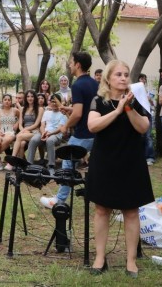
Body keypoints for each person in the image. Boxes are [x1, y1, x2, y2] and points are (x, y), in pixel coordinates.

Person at [86, 60, 154, 277]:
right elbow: (93, 126)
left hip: (130, 160)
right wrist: (116, 111)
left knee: (131, 211)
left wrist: (128, 108)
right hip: (105, 160)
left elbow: (143, 127)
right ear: (108, 78)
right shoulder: (99, 101)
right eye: (118, 74)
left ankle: (131, 261)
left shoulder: (137, 100)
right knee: (101, 209)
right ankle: (99, 258)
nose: (124, 78)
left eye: (126, 74)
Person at [41, 52, 99, 208]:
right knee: (99, 167)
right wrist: (69, 108)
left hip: (83, 133)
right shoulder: (95, 83)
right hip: (97, 133)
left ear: (78, 64)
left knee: (67, 164)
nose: (69, 65)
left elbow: (79, 113)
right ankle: (110, 200)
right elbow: (87, 108)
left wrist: (66, 125)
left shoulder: (78, 85)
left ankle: (59, 200)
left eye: (71, 62)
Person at [27, 94, 67, 172]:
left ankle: (51, 165)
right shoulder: (47, 112)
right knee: (34, 139)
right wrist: (43, 133)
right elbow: (42, 125)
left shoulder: (63, 114)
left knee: (50, 140)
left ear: (59, 103)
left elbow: (59, 129)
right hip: (44, 133)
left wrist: (49, 134)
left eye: (56, 102)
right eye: (52, 102)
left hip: (56, 135)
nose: (54, 104)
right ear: (49, 102)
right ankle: (29, 164)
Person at [10, 90, 42, 165]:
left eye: (32, 96)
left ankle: (12, 159)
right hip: (24, 132)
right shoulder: (23, 109)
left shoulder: (40, 109)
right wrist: (23, 131)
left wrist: (25, 130)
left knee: (19, 136)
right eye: (28, 96)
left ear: (35, 98)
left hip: (35, 132)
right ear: (25, 98)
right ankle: (22, 164)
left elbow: (36, 124)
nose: (30, 98)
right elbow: (20, 124)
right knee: (21, 144)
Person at [0, 93, 19, 170]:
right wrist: (0, 131)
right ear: (2, 101)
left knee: (7, 140)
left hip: (10, 131)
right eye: (5, 100)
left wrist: (17, 123)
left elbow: (21, 117)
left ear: (11, 101)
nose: (7, 101)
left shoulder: (15, 110)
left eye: (9, 100)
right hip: (0, 130)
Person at [139, 73, 156, 165]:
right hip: (138, 116)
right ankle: (141, 156)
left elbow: (153, 105)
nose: (143, 80)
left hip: (148, 115)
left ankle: (150, 157)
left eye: (144, 79)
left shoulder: (149, 91)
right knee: (140, 137)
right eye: (141, 78)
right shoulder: (135, 91)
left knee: (148, 136)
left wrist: (150, 100)